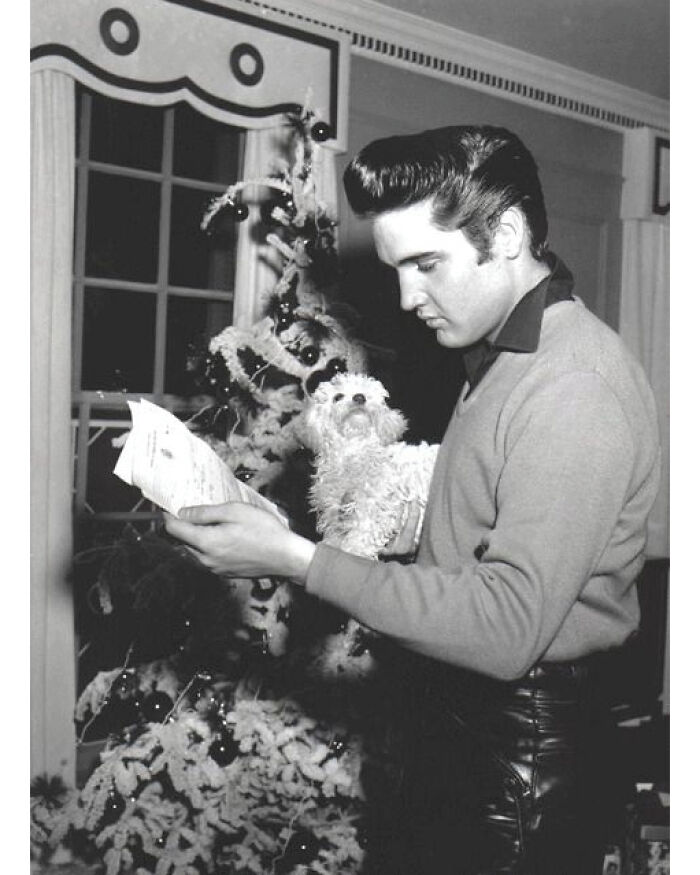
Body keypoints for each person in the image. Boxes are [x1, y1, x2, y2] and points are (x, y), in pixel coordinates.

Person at [165, 125, 661, 874]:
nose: (406, 296)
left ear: (508, 232)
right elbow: (480, 525)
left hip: (521, 762)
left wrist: (302, 561)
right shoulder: (502, 359)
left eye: (427, 263)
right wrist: (334, 523)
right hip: (471, 728)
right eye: (398, 267)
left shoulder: (573, 384)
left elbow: (505, 625)